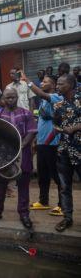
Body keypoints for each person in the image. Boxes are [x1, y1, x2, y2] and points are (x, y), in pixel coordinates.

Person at [0, 88, 37, 229]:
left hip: (23, 153)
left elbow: (31, 132)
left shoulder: (26, 113)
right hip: (3, 155)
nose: (11, 100)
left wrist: (21, 146)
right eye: (8, 98)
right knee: (0, 185)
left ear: (17, 97)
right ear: (3, 99)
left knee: (23, 184)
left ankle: (24, 214)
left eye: (13, 97)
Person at [22, 75, 63, 215]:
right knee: (43, 174)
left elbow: (39, 93)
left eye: (45, 82)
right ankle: (43, 201)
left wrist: (27, 81)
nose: (42, 83)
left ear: (53, 84)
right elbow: (40, 120)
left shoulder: (57, 97)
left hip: (53, 143)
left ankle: (62, 204)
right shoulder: (43, 102)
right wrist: (35, 140)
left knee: (57, 176)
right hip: (42, 142)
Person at [52, 74, 81, 232]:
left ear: (69, 85)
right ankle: (67, 218)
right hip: (64, 151)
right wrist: (60, 130)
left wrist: (75, 128)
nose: (57, 86)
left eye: (61, 84)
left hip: (80, 150)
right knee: (64, 186)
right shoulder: (58, 106)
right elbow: (55, 125)